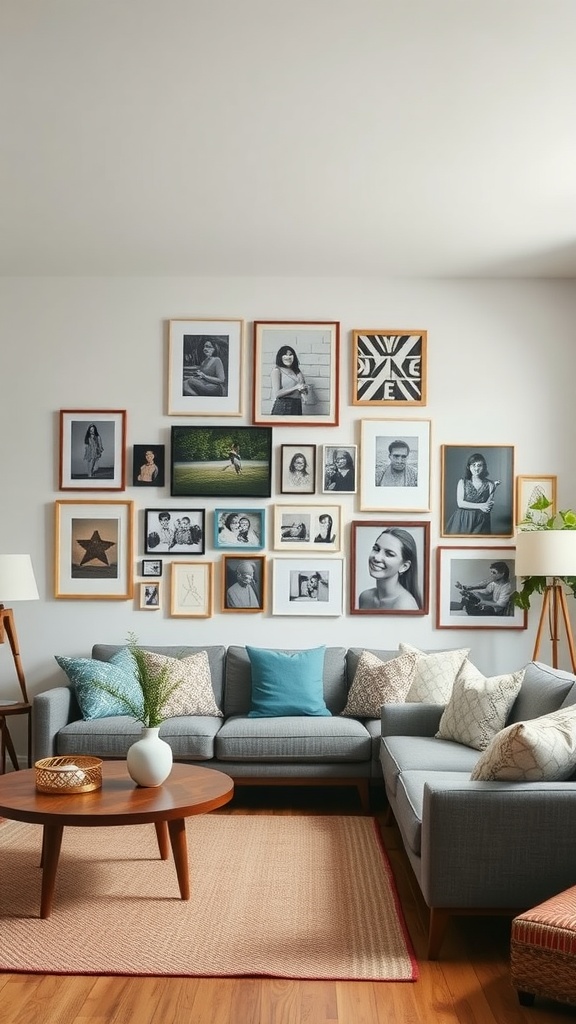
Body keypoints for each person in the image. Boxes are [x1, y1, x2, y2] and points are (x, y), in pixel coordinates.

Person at [358, 527, 422, 610]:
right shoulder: (365, 597)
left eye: (389, 554)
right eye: (376, 549)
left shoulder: (405, 605)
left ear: (404, 566)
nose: (377, 557)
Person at [445, 453, 500, 535]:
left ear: (484, 467)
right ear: (469, 467)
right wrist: (481, 506)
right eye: (473, 465)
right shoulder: (462, 482)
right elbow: (460, 503)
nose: (476, 468)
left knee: (479, 546)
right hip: (463, 519)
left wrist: (494, 488)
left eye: (479, 465)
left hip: (481, 520)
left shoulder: (490, 484)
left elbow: (488, 507)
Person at [270, 346, 308, 415]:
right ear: (280, 357)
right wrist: (296, 387)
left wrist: (304, 391)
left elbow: (302, 388)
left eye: (290, 355)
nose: (288, 357)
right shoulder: (277, 370)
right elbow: (277, 394)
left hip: (297, 405)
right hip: (283, 406)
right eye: (285, 355)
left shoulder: (297, 371)